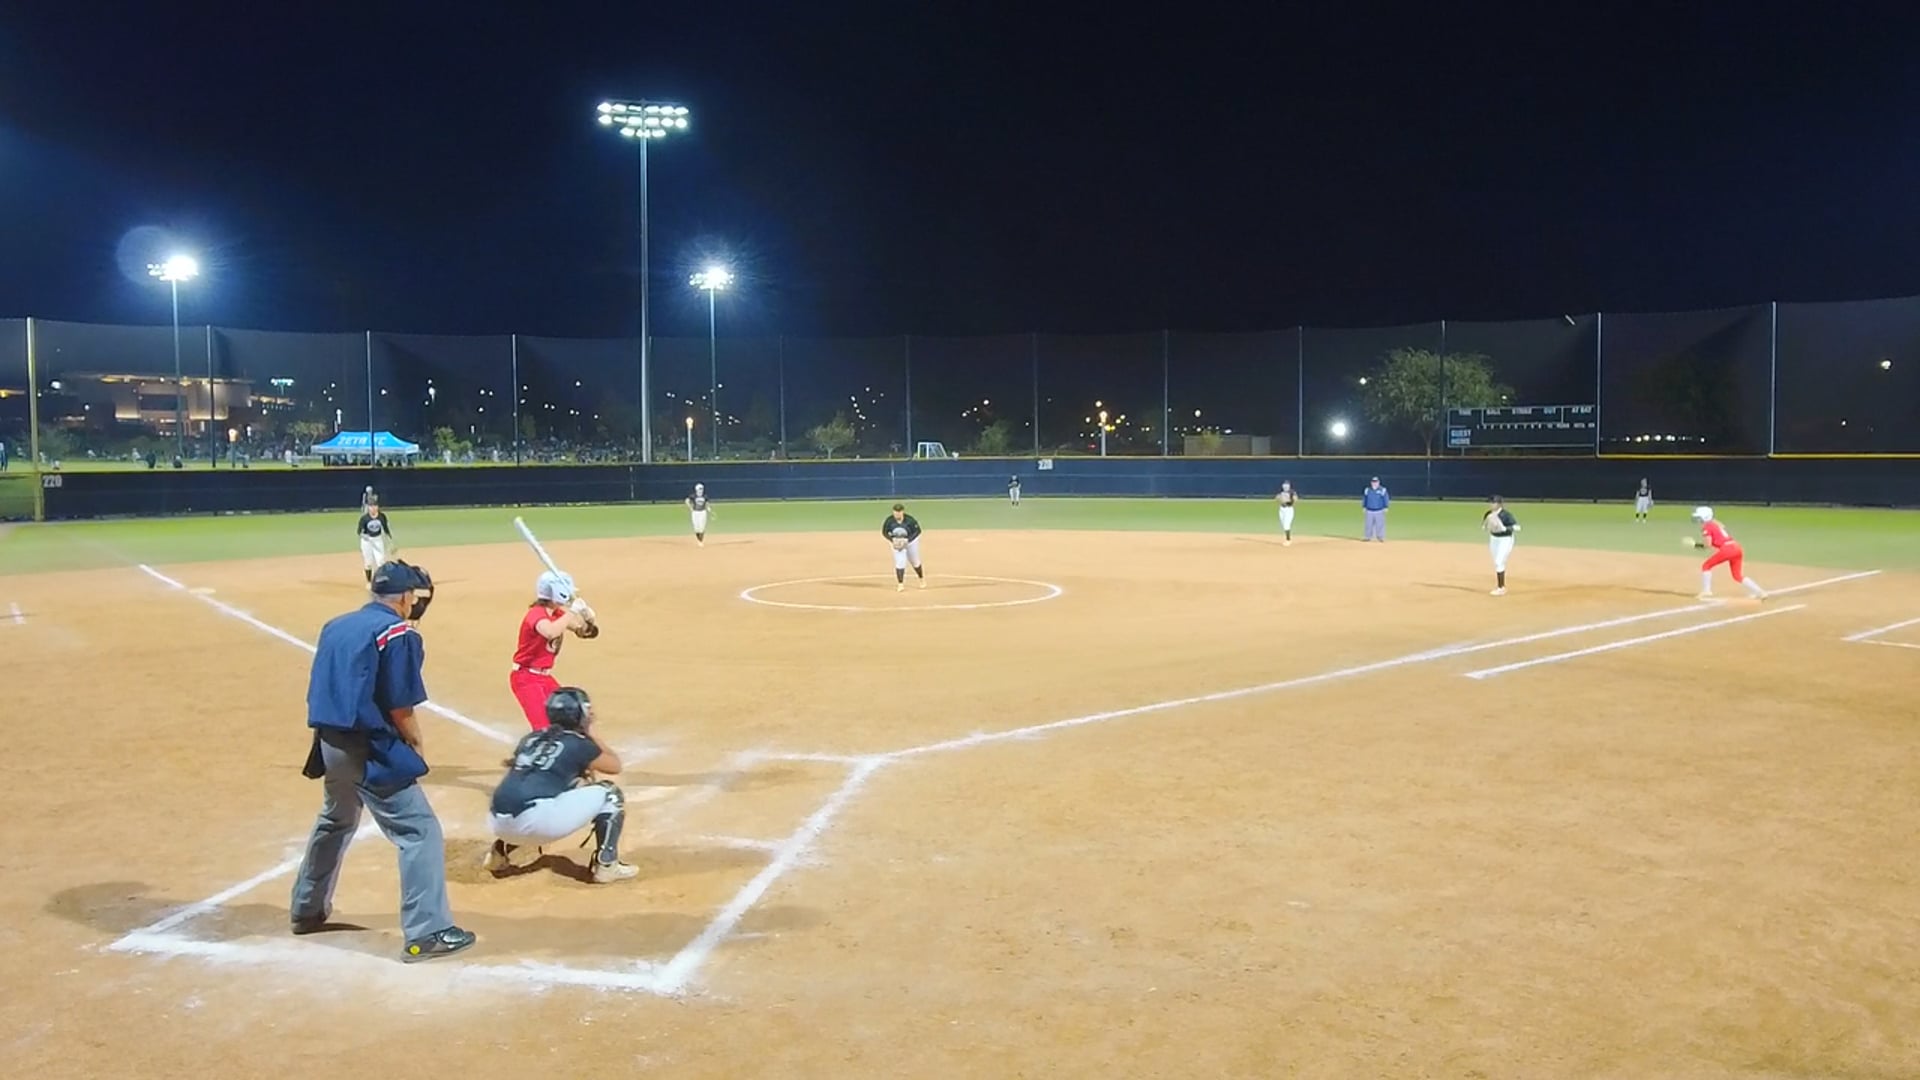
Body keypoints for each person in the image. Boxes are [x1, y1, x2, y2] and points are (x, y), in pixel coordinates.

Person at [289, 560, 475, 963]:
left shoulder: (336, 625)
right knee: (419, 831)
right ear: (405, 597)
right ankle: (427, 933)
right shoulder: (397, 633)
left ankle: (306, 908)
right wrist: (415, 745)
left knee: (335, 820)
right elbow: (399, 705)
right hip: (368, 748)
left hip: (329, 744)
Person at [484, 686, 637, 883]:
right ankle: (607, 865)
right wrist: (590, 732)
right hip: (536, 823)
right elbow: (614, 766)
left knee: (560, 787)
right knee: (610, 792)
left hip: (498, 822)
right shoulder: (578, 743)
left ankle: (500, 849)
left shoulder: (531, 739)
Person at [509, 571, 599, 731]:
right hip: (526, 678)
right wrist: (573, 611)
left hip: (544, 677)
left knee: (568, 717)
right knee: (545, 727)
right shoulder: (536, 614)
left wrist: (589, 620)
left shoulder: (556, 614)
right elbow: (550, 632)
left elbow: (585, 633)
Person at [1688, 507, 1768, 601]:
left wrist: (1695, 545)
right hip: (1736, 547)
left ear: (1704, 517)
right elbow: (1721, 527)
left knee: (1706, 566)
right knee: (1737, 576)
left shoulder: (1707, 527)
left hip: (1727, 550)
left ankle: (1706, 591)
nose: (1698, 519)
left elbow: (1707, 545)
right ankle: (1760, 592)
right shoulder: (1715, 524)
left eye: (1700, 517)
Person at [1483, 495, 1520, 596]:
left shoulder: (1506, 515)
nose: (1491, 504)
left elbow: (1517, 527)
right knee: (1497, 562)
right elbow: (1485, 525)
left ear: (1499, 504)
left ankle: (1501, 588)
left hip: (1505, 539)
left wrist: (1505, 529)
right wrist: (1487, 527)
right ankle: (1501, 586)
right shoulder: (1489, 514)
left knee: (1499, 561)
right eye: (1490, 502)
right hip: (1494, 539)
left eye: (1493, 502)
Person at [883, 503, 925, 592]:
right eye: (896, 512)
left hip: (911, 542)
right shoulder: (889, 521)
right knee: (900, 562)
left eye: (899, 512)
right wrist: (892, 540)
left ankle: (921, 579)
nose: (897, 514)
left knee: (915, 561)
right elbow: (884, 532)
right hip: (898, 543)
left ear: (902, 512)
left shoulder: (909, 520)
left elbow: (918, 531)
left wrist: (908, 540)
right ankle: (900, 584)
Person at [356, 495, 393, 583]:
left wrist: (390, 539)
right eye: (371, 506)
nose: (373, 508)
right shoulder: (364, 518)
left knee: (380, 561)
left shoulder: (381, 517)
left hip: (377, 539)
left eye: (375, 506)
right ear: (368, 507)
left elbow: (385, 528)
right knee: (368, 562)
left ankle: (381, 580)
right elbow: (359, 531)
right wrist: (364, 536)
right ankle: (369, 581)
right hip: (367, 542)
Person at [1361, 477, 1390, 542]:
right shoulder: (1367, 490)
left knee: (1380, 524)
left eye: (1376, 482)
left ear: (1378, 482)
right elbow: (1365, 498)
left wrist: (1386, 506)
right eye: (1373, 482)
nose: (1374, 483)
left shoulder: (1382, 490)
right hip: (1369, 510)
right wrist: (1364, 506)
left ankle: (1380, 537)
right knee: (1368, 524)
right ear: (1371, 482)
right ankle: (1367, 537)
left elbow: (1386, 498)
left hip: (1379, 510)